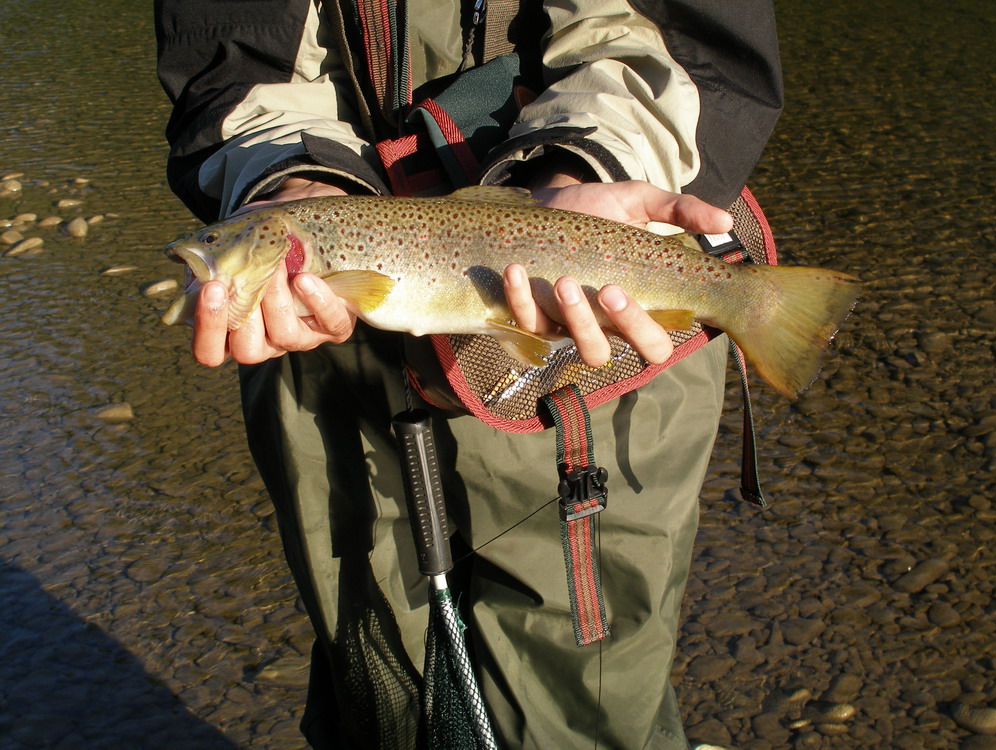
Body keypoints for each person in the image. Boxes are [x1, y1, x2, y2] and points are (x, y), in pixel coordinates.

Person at [155, 1, 782, 748]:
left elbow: (684, 37)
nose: (204, 246)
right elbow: (232, 54)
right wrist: (286, 178)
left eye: (220, 239)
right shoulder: (295, 243)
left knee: (576, 698)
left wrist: (582, 163)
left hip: (569, 390)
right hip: (326, 381)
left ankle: (749, 306)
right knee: (378, 683)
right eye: (216, 239)